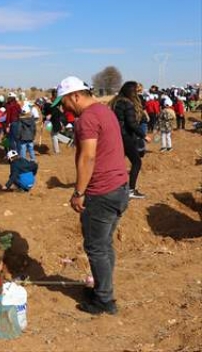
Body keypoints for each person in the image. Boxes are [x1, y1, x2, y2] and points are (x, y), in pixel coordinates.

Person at [53, 75, 129, 315]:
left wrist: (79, 192)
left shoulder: (86, 119)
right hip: (120, 187)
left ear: (75, 96)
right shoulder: (105, 111)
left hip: (101, 192)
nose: (63, 107)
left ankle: (104, 300)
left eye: (64, 102)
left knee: (96, 247)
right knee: (104, 245)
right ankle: (102, 289)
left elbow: (88, 157)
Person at [109, 81, 150, 199]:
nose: (138, 93)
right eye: (136, 91)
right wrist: (144, 135)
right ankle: (131, 190)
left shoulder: (116, 102)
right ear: (131, 92)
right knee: (137, 162)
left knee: (117, 163)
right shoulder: (128, 104)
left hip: (116, 135)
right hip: (125, 136)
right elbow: (131, 124)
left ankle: (114, 187)